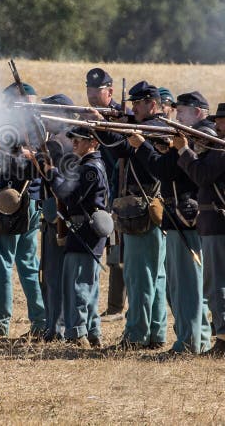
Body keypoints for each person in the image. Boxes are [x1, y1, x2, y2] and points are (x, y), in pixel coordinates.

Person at [128, 91, 213, 357]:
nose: (176, 116)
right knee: (186, 285)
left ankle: (188, 342)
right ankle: (199, 338)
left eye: (183, 111)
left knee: (186, 287)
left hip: (186, 220)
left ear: (198, 112)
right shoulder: (193, 138)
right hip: (184, 219)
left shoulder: (199, 138)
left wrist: (143, 146)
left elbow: (163, 170)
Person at [175, 102, 225, 359]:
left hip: (220, 223)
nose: (216, 124)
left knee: (219, 284)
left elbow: (201, 175)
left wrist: (183, 150)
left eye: (221, 120)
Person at [94, 81, 168, 350]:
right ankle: (155, 333)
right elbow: (121, 148)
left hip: (144, 213)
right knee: (154, 278)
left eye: (139, 103)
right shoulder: (151, 128)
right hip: (146, 212)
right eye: (133, 103)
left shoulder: (155, 129)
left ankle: (136, 335)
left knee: (139, 277)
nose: (134, 107)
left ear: (152, 103)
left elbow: (123, 148)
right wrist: (111, 123)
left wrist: (103, 124)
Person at [0, 82, 46, 338]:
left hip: (14, 202)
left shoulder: (29, 129)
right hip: (26, 202)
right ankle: (41, 320)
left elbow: (27, 164)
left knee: (0, 263)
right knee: (28, 265)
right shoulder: (33, 127)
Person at [45, 126, 109, 347]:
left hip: (85, 232)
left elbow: (69, 197)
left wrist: (52, 175)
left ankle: (78, 333)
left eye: (79, 140)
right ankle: (92, 332)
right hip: (85, 232)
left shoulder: (90, 168)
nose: (74, 144)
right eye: (73, 140)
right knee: (87, 286)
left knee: (79, 286)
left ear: (93, 142)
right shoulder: (88, 166)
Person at [84, 67, 127, 321]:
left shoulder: (122, 117)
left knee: (119, 253)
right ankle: (111, 306)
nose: (91, 93)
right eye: (89, 89)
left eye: (96, 90)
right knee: (111, 252)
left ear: (110, 91)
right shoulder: (87, 116)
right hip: (102, 190)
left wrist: (103, 124)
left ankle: (115, 308)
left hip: (121, 189)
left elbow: (118, 147)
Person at [38, 93, 76, 341]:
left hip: (61, 217)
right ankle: (53, 325)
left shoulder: (62, 142)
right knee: (50, 275)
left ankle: (58, 327)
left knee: (56, 276)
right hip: (53, 215)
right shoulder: (57, 140)